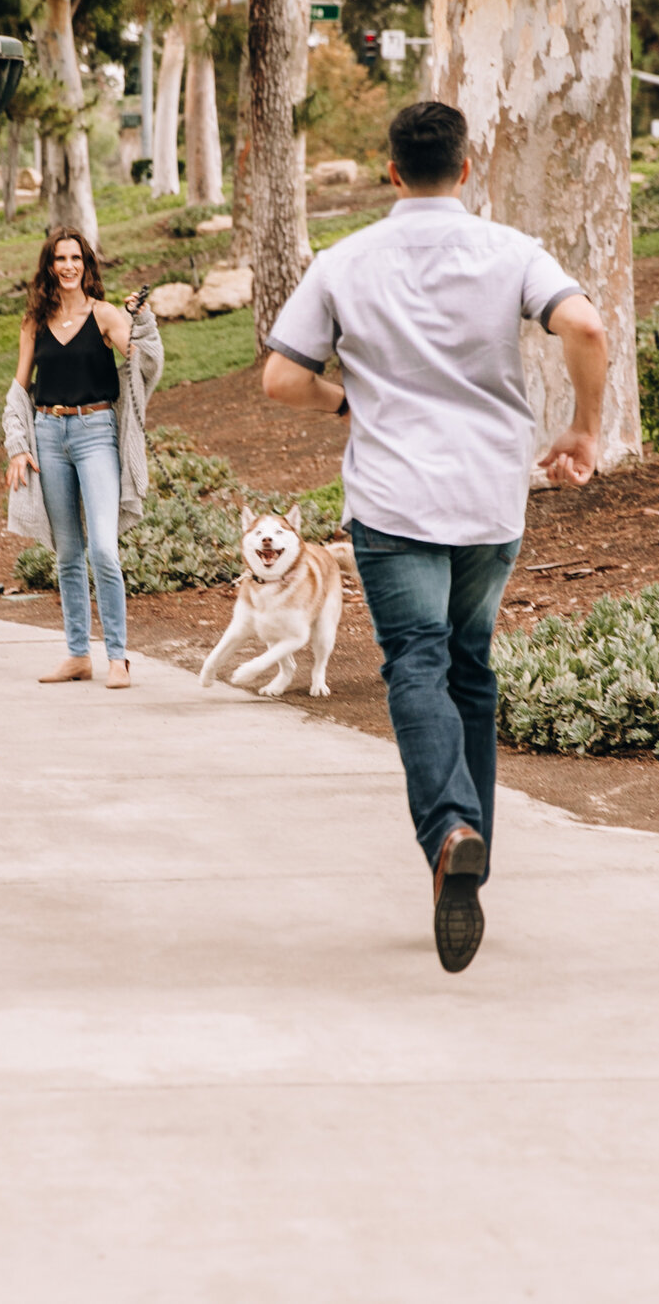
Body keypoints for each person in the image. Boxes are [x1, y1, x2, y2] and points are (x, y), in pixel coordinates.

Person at [261, 101, 609, 973]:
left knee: (414, 662)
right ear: (465, 168)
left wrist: (344, 401)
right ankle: (470, 853)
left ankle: (450, 829)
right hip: (490, 496)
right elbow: (586, 325)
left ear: (390, 172)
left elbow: (280, 377)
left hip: (392, 501)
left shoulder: (345, 261)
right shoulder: (511, 251)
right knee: (470, 668)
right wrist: (584, 430)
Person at [2, 231, 164, 688]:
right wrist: (18, 443)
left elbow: (147, 363)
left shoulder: (106, 315)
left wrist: (144, 320)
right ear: (50, 266)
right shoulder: (34, 321)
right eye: (60, 258)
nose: (68, 265)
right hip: (49, 433)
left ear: (86, 265)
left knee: (103, 550)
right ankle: (77, 655)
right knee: (68, 553)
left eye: (76, 258)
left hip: (96, 433)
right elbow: (19, 388)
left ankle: (118, 656)